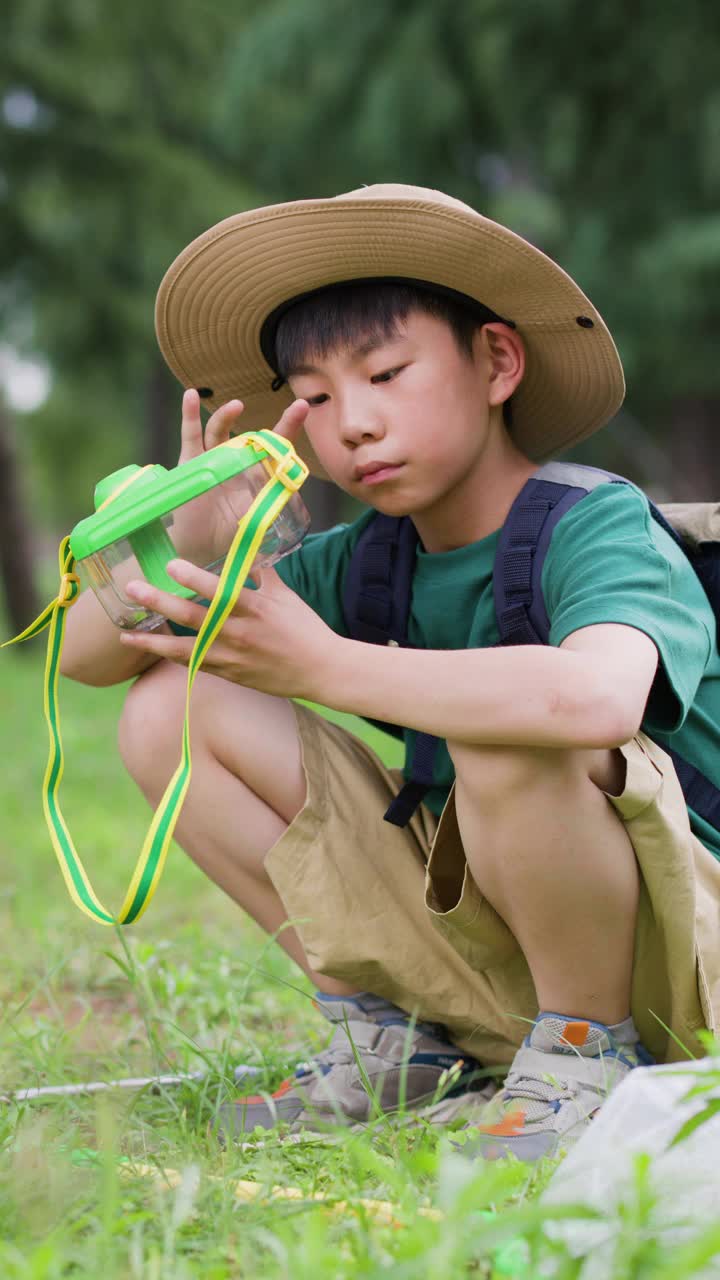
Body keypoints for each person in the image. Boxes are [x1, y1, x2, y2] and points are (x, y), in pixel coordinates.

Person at [60, 184, 720, 1161]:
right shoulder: (370, 558)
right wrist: (197, 541)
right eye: (316, 397)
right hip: (503, 953)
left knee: (510, 713)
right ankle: (396, 1039)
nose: (353, 422)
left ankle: (589, 1051)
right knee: (171, 709)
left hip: (687, 961)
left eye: (387, 372)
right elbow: (89, 659)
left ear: (496, 361)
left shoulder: (598, 526)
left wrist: (327, 662)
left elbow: (593, 696)